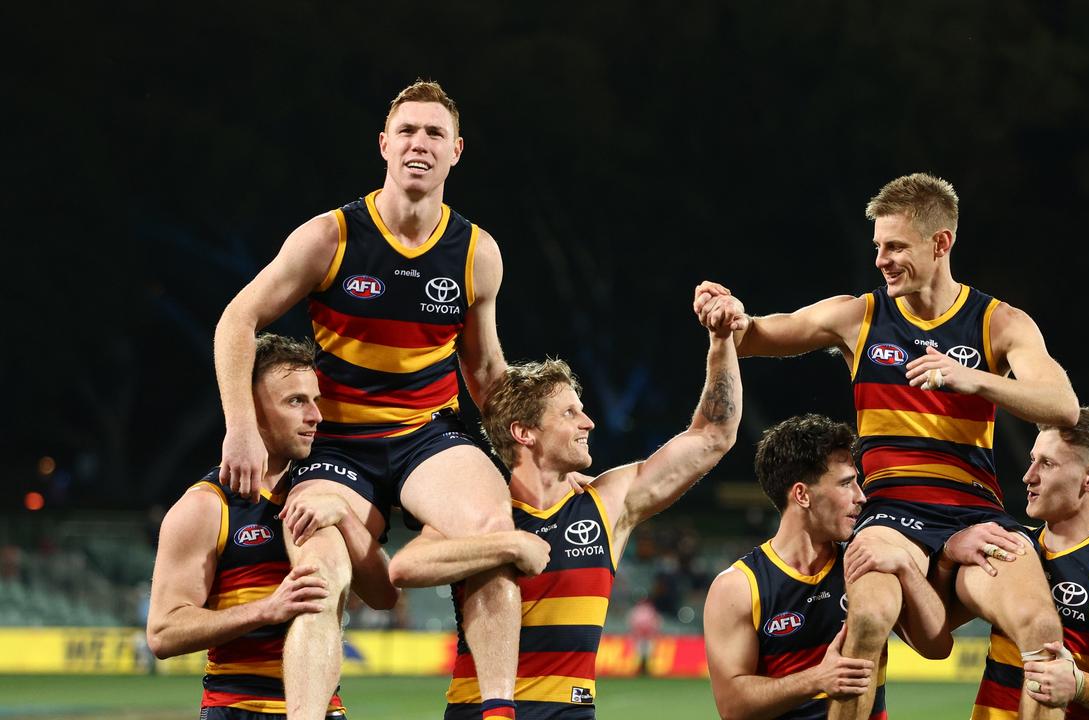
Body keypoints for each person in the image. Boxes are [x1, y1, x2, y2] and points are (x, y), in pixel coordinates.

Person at [694, 172, 1078, 720]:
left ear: (940, 243)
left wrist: (973, 380)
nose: (881, 259)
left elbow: (1063, 405)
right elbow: (760, 334)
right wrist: (729, 315)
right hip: (889, 516)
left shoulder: (999, 322)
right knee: (867, 622)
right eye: (878, 246)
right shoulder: (861, 316)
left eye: (895, 246)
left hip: (976, 516)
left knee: (1042, 634)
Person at [213, 79, 522, 718]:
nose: (420, 143)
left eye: (435, 133)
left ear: (456, 151)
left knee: (494, 536)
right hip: (338, 444)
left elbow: (488, 373)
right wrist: (240, 427)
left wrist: (533, 456)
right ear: (384, 144)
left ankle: (497, 712)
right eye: (407, 130)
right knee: (317, 573)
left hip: (428, 437)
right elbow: (236, 321)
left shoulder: (476, 252)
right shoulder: (331, 237)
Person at [390, 312, 743, 717]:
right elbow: (404, 566)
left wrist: (720, 342)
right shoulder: (477, 513)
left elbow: (713, 435)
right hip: (479, 710)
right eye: (570, 413)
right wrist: (511, 542)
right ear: (525, 432)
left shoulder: (607, 502)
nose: (588, 423)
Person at [146, 333, 397, 719]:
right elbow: (163, 632)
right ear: (251, 410)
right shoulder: (206, 506)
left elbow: (384, 596)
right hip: (240, 708)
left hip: (324, 709)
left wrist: (345, 516)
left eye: (315, 401)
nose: (315, 416)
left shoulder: (327, 491)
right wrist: (267, 609)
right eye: (296, 401)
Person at [704, 414, 950, 720]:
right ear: (802, 495)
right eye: (847, 484)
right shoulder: (738, 587)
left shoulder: (868, 562)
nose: (862, 497)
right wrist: (818, 678)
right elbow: (732, 706)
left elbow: (938, 647)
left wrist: (906, 567)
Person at [957, 408, 1089, 720]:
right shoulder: (1012, 546)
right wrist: (950, 551)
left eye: (1046, 463)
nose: (1028, 476)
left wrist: (1080, 685)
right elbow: (934, 639)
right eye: (1033, 459)